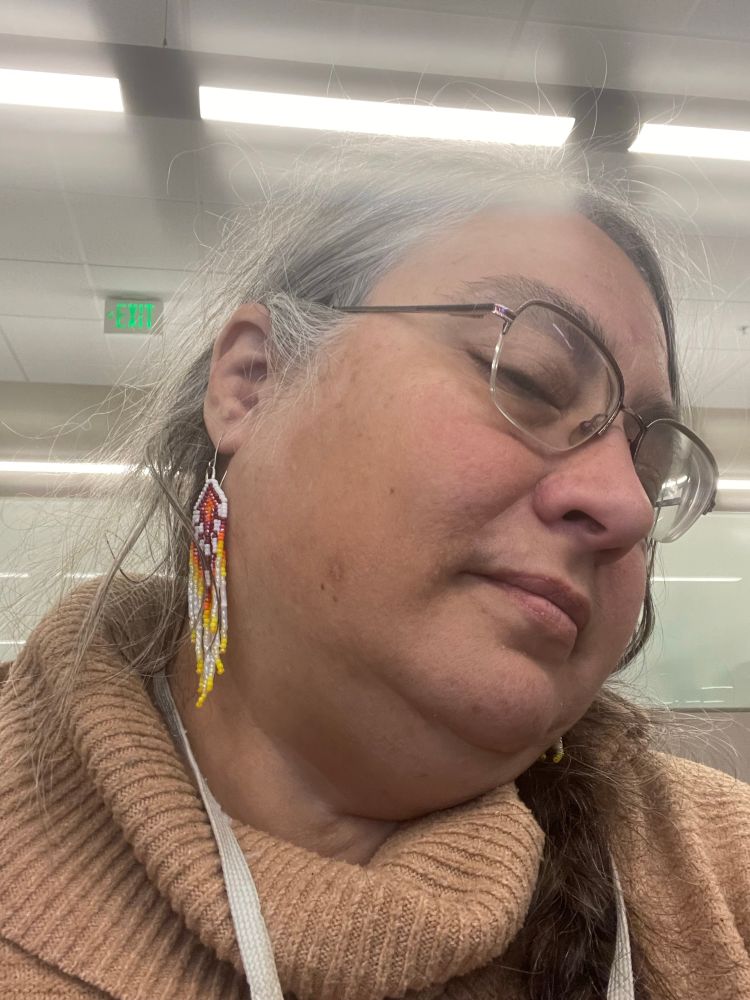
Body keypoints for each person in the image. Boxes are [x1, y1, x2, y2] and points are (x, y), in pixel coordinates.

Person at [0, 139, 748, 1000]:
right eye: (535, 379)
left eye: (651, 470)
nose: (623, 503)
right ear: (252, 380)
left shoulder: (716, 876)